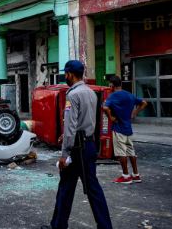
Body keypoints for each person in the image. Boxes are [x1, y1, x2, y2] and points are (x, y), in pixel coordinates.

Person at [42, 60, 112, 229]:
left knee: (66, 188)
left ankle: (58, 225)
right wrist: (65, 135)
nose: (65, 77)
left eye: (65, 74)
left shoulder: (72, 95)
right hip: (88, 146)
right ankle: (105, 226)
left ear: (70, 74)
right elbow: (86, 121)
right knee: (93, 189)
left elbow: (71, 125)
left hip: (75, 149)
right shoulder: (90, 92)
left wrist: (64, 155)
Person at [103, 75, 148, 184]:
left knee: (120, 153)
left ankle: (126, 176)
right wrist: (135, 112)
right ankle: (136, 175)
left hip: (118, 129)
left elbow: (104, 107)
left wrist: (111, 117)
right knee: (131, 152)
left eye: (109, 84)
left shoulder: (113, 96)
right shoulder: (130, 95)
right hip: (128, 129)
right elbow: (144, 103)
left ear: (112, 85)